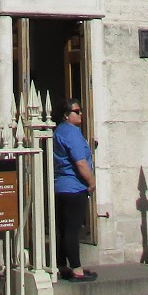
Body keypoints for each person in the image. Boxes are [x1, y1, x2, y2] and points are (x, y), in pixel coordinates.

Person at [53, 99, 97, 282]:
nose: (80, 114)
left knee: (64, 229)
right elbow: (80, 162)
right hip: (74, 187)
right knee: (72, 228)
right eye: (77, 111)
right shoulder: (72, 133)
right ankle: (76, 269)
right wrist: (92, 182)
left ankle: (62, 265)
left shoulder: (59, 131)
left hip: (61, 186)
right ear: (66, 115)